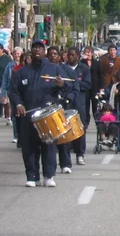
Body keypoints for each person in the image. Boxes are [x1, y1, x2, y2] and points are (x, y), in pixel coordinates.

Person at [9, 40, 67, 187]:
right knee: (29, 147)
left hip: (47, 114)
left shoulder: (54, 69)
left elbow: (67, 87)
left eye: (40, 48)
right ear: (31, 51)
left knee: (48, 145)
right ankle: (32, 176)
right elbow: (13, 91)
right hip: (28, 115)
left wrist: (61, 86)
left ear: (44, 51)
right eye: (35, 48)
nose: (37, 50)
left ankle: (49, 176)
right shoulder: (21, 72)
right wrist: (19, 104)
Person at [47, 46, 80, 175]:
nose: (53, 56)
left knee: (64, 137)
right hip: (48, 106)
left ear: (60, 55)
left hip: (64, 106)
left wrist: (66, 95)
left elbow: (75, 88)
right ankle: (50, 167)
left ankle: (66, 164)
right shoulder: (44, 70)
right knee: (50, 138)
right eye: (50, 54)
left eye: (55, 53)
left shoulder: (67, 70)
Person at [66, 47, 92, 165]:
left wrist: (74, 83)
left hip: (80, 102)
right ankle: (65, 158)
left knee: (80, 129)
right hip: (67, 102)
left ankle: (80, 154)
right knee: (66, 129)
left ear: (77, 56)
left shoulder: (84, 68)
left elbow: (87, 85)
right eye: (68, 55)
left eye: (72, 55)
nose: (70, 57)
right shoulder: (63, 68)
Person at [81, 46, 102, 125]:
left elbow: (101, 75)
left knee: (95, 104)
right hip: (85, 86)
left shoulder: (96, 62)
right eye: (86, 52)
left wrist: (101, 87)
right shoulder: (82, 63)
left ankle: (97, 120)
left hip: (95, 86)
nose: (88, 54)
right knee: (86, 104)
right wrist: (83, 59)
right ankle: (86, 120)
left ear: (92, 53)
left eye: (89, 52)